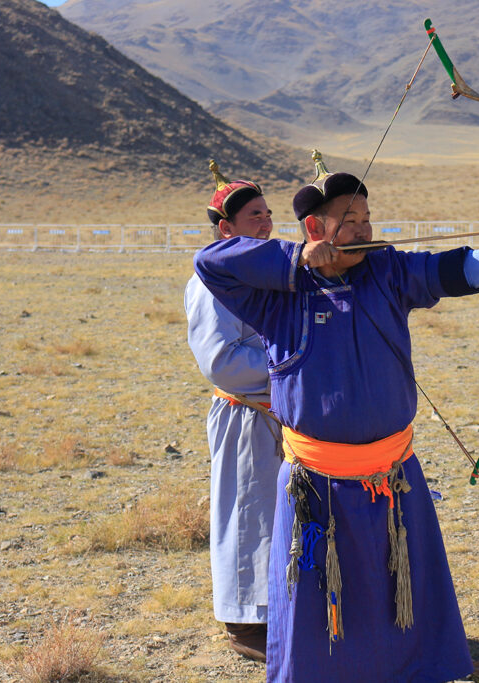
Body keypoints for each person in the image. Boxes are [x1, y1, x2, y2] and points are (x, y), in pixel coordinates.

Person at [193, 151, 479, 682]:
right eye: (348, 221)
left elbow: (462, 266)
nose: (362, 230)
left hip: (392, 476)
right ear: (314, 227)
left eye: (366, 219)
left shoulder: (389, 270)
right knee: (322, 599)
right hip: (316, 483)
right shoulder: (278, 294)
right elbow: (210, 262)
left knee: (396, 589)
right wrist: (299, 260)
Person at [184, 160, 283, 662]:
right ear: (225, 229)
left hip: (282, 411)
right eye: (253, 216)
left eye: (267, 213)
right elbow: (222, 362)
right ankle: (244, 623)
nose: (265, 222)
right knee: (248, 513)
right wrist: (294, 359)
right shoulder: (211, 280)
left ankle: (281, 613)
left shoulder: (266, 271)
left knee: (277, 516)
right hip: (244, 414)